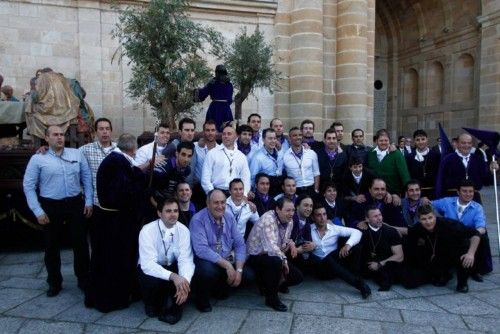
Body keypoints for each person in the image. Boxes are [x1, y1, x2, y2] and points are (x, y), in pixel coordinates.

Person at [23, 125, 93, 297]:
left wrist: (89, 201)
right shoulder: (38, 159)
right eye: (55, 135)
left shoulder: (76, 154)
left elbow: (87, 178)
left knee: (81, 244)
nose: (60, 138)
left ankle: (83, 279)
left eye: (62, 134)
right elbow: (28, 186)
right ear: (47, 138)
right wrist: (37, 211)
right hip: (51, 206)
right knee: (51, 245)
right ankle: (54, 282)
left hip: (75, 204)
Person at [85, 134, 146, 312]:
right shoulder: (117, 163)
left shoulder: (116, 160)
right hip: (115, 223)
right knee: (113, 260)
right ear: (133, 149)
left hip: (112, 220)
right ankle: (112, 299)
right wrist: (141, 183)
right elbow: (122, 195)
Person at [190, 190, 249, 312]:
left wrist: (238, 270)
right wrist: (227, 265)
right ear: (208, 204)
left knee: (249, 275)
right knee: (207, 271)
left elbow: (240, 244)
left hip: (226, 257)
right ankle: (201, 299)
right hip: (208, 260)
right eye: (216, 203)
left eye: (223, 202)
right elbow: (201, 250)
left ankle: (221, 287)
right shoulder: (198, 219)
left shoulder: (229, 216)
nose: (220, 206)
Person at [138, 198, 194, 324]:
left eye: (175, 211)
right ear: (159, 213)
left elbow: (186, 259)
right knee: (152, 283)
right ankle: (150, 303)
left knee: (186, 278)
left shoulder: (184, 230)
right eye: (168, 211)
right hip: (151, 269)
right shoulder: (147, 230)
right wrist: (173, 276)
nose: (173, 214)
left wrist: (185, 282)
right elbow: (148, 265)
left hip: (171, 266)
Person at [407, 204, 481, 293]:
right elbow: (408, 232)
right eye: (424, 219)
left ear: (435, 216)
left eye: (430, 218)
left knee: (464, 255)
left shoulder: (449, 224)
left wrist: (471, 253)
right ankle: (444, 274)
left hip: (457, 249)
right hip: (439, 253)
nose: (428, 222)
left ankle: (462, 283)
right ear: (419, 220)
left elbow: (475, 234)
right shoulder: (417, 228)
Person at [247, 197, 304, 311]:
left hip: (273, 254)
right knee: (276, 261)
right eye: (288, 210)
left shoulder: (290, 221)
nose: (291, 213)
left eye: (293, 210)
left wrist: (291, 243)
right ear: (277, 209)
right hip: (256, 256)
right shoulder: (268, 219)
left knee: (297, 277)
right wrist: (284, 260)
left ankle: (268, 286)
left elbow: (284, 240)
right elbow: (271, 247)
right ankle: (271, 298)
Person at [309, 204, 371, 298]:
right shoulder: (308, 229)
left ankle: (357, 277)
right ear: (313, 217)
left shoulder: (334, 229)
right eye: (319, 215)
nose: (322, 218)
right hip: (320, 269)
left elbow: (357, 232)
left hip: (335, 264)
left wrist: (347, 245)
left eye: (324, 214)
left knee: (356, 246)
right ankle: (359, 284)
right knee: (327, 259)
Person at [432, 179, 492, 276]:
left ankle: (475, 268)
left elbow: (481, 227)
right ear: (458, 192)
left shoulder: (477, 207)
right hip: (449, 236)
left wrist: (469, 234)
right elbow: (429, 204)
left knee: (483, 237)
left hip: (467, 236)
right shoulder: (447, 202)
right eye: (464, 191)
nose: (468, 194)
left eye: (471, 191)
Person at [436, 133, 498, 203]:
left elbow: (486, 182)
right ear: (457, 144)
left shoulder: (478, 159)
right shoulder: (447, 159)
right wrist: (441, 199)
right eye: (463, 143)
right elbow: (440, 181)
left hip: (474, 199)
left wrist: (491, 171)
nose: (466, 145)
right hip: (453, 199)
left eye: (469, 143)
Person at [359, 206, 406, 291]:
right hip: (367, 265)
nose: (379, 218)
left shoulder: (391, 231)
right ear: (367, 219)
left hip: (385, 264)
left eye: (380, 215)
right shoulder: (362, 231)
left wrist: (379, 264)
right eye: (375, 216)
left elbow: (399, 256)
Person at [201, 123, 251, 196]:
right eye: (224, 134)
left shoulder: (241, 156)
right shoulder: (212, 153)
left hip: (236, 194)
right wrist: (212, 193)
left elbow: (245, 178)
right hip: (216, 192)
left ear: (236, 136)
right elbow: (205, 178)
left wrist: (244, 194)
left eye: (229, 134)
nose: (226, 136)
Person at [150, 142, 194, 221]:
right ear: (177, 154)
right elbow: (149, 193)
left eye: (189, 156)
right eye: (183, 154)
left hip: (172, 203)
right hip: (155, 204)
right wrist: (160, 209)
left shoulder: (187, 170)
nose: (186, 159)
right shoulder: (164, 169)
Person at [366, 129, 410, 195]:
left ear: (389, 141)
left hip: (393, 193)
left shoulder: (397, 154)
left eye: (386, 140)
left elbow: (404, 174)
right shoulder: (371, 153)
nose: (383, 142)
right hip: (374, 193)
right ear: (376, 141)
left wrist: (407, 191)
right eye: (381, 140)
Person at [194, 64, 234, 130]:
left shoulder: (212, 82)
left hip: (214, 108)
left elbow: (203, 93)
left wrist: (196, 91)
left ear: (217, 72)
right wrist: (225, 104)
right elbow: (230, 100)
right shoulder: (229, 84)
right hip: (226, 109)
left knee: (212, 127)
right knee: (226, 127)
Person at [283, 127, 320, 196]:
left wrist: (316, 189)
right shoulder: (285, 156)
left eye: (300, 135)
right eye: (295, 135)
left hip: (310, 189)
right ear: (290, 138)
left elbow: (316, 173)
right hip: (295, 190)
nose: (298, 137)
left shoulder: (311, 153)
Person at [405, 130, 440, 199]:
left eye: (423, 139)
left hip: (433, 192)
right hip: (415, 193)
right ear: (414, 141)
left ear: (427, 140)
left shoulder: (436, 155)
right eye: (417, 140)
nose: (420, 142)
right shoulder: (409, 157)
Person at [249, 128, 284, 196]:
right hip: (266, 190)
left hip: (279, 188)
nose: (273, 141)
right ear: (263, 140)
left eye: (274, 138)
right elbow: (252, 178)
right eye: (270, 138)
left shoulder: (280, 153)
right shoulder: (257, 157)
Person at [313, 128, 348, 193]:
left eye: (334, 138)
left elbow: (345, 175)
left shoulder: (343, 155)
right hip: (322, 190)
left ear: (337, 140)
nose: (331, 141)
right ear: (324, 140)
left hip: (338, 191)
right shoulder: (317, 154)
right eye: (329, 138)